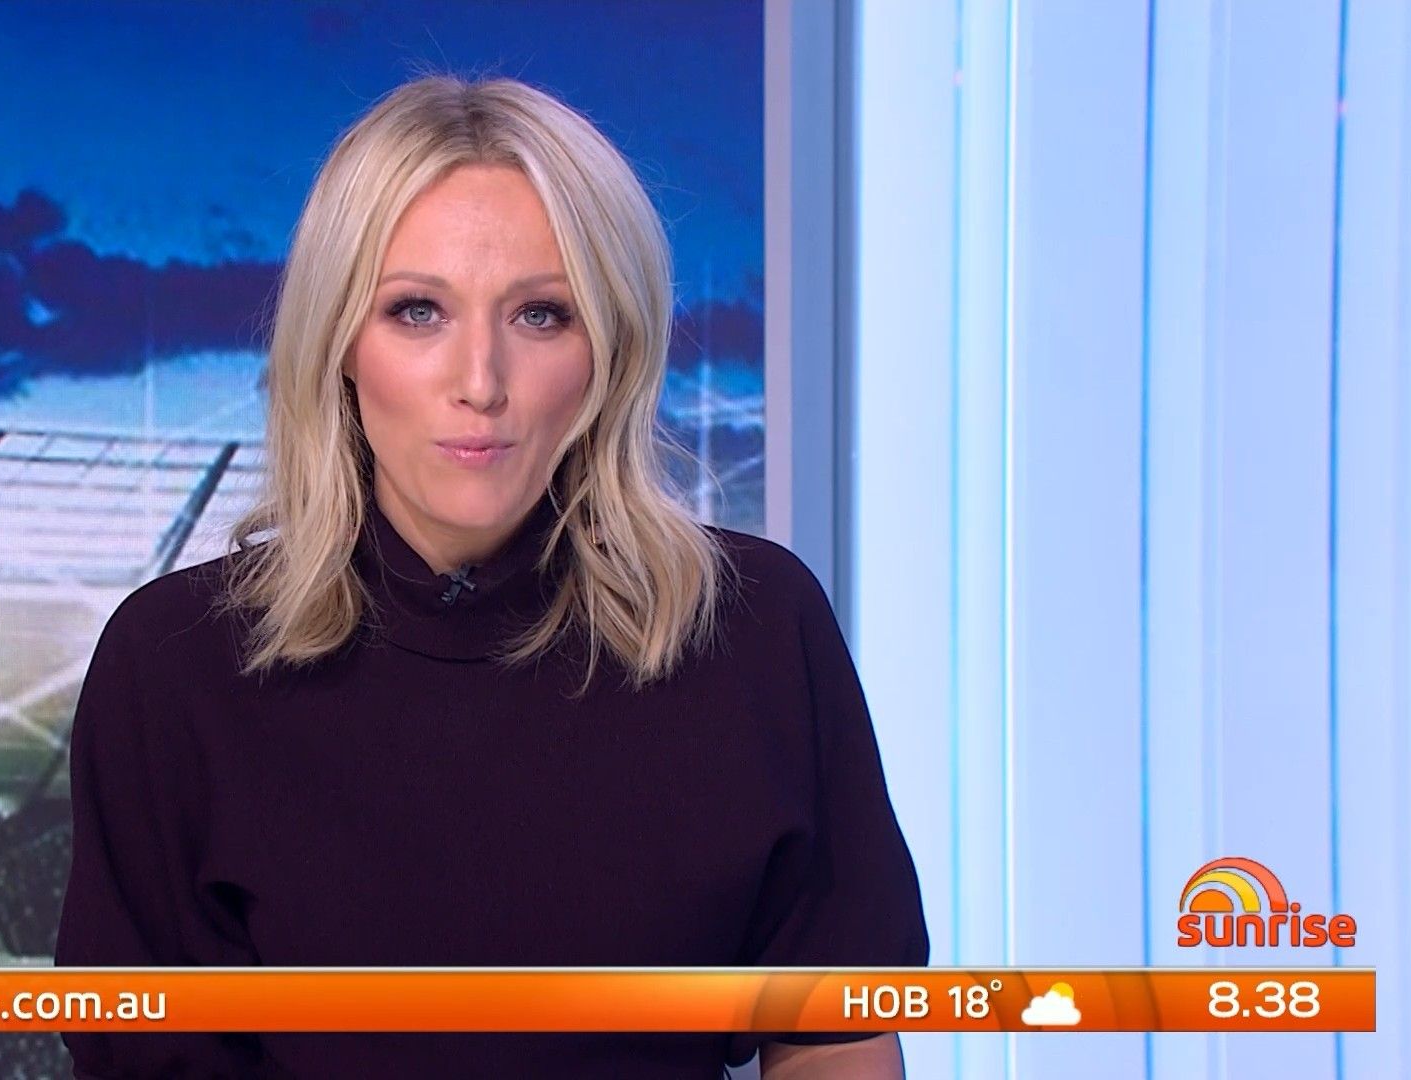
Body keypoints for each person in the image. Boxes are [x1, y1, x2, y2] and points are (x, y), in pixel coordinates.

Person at [53, 73, 928, 1079]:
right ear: (339, 344)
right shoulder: (174, 666)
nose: (481, 382)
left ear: (611, 350)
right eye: (418, 311)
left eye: (542, 315)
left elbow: (835, 1041)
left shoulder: (757, 629)